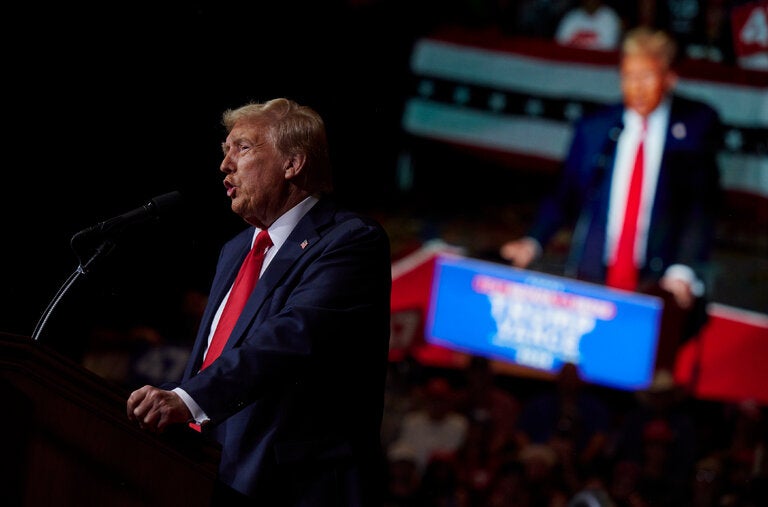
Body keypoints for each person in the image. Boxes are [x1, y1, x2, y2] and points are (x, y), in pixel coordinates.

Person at [126, 98, 393, 506]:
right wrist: (171, 395)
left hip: (295, 488)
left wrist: (186, 399)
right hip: (207, 473)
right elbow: (211, 361)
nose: (225, 165)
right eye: (225, 151)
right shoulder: (236, 250)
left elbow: (290, 339)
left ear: (292, 164)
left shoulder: (350, 241)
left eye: (243, 148)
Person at [499, 26, 723, 372]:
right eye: (628, 76)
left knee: (644, 368)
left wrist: (683, 269)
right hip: (595, 273)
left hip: (659, 280)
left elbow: (700, 207)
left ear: (670, 78)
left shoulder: (695, 126)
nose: (636, 87)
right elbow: (565, 194)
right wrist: (533, 241)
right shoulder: (595, 128)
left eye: (646, 76)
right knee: (588, 365)